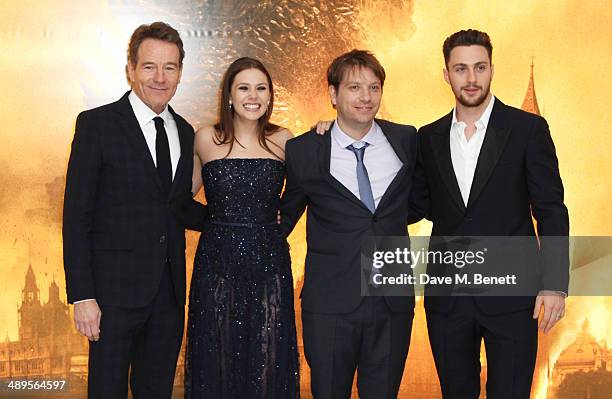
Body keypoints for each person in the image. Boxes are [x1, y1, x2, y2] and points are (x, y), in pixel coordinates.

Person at [418, 29, 569, 399]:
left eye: (479, 67)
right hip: (447, 299)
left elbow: (550, 209)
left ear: (491, 70)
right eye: (461, 69)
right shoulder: (427, 137)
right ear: (446, 74)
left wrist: (554, 283)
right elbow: (413, 204)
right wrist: (340, 132)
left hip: (514, 297)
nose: (471, 78)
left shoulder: (528, 129)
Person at [63, 22, 204, 398]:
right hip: (111, 300)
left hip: (169, 298)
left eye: (170, 67)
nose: (160, 77)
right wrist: (83, 296)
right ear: (130, 68)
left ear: (179, 73)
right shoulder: (97, 124)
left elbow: (176, 207)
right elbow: (77, 217)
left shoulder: (186, 131)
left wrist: (241, 220)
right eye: (149, 66)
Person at [281, 50, 427, 399]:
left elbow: (418, 204)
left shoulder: (407, 139)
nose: (366, 97)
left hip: (392, 304)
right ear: (333, 95)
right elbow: (286, 216)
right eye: (354, 87)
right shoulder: (304, 150)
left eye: (374, 88)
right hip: (329, 307)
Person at [184, 57, 299, 399]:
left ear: (270, 95)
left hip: (269, 265)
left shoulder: (284, 139)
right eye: (244, 87)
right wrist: (215, 224)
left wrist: (284, 222)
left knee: (269, 356)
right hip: (217, 266)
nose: (253, 96)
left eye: (261, 88)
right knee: (215, 353)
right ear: (229, 95)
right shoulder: (205, 138)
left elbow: (303, 192)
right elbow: (180, 199)